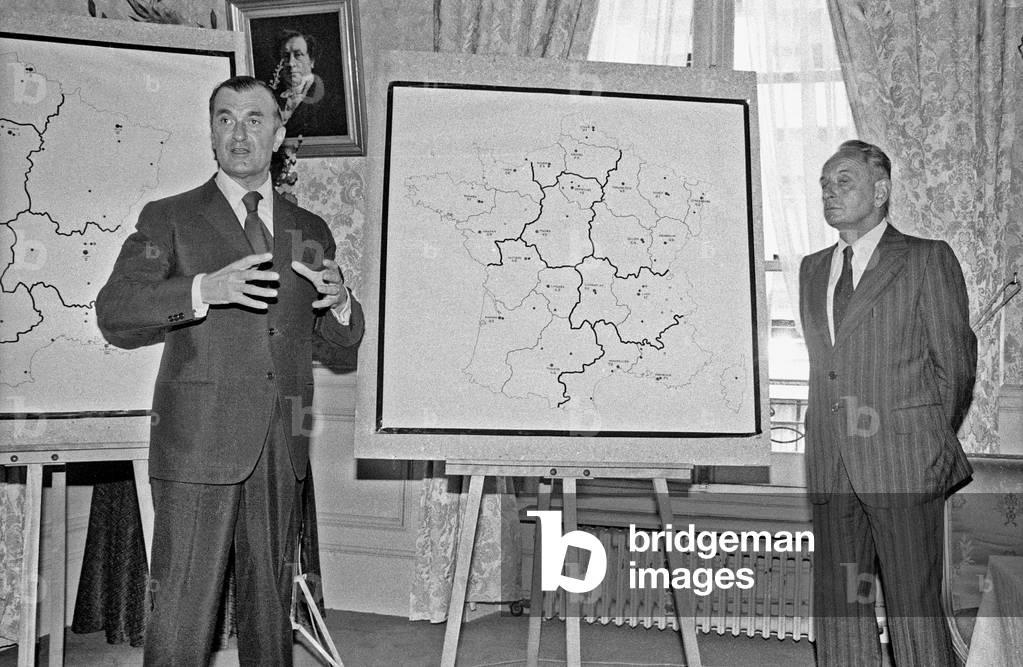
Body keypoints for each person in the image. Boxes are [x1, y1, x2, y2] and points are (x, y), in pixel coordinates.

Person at [96, 75, 364, 665]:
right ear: (211, 132)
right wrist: (199, 289)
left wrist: (341, 302)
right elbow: (114, 311)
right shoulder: (169, 218)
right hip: (197, 444)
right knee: (182, 612)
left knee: (272, 610)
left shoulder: (309, 229)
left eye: (253, 119)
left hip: (281, 445)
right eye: (224, 119)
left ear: (279, 133)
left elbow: (339, 343)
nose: (238, 133)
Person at [799, 139, 977, 666]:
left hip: (903, 466)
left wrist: (919, 444)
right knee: (842, 606)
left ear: (881, 191)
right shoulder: (812, 269)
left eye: (844, 182)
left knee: (913, 610)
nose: (830, 192)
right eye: (825, 185)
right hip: (833, 465)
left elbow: (956, 366)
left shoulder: (925, 259)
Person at [272, 29, 346, 139]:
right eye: (286, 56)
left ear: (312, 60)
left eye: (298, 55)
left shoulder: (331, 101)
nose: (291, 63)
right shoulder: (272, 97)